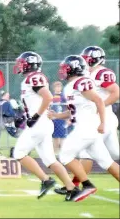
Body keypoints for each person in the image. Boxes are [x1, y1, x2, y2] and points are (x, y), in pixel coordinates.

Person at [12, 51, 90, 202]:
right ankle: (71, 188)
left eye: (22, 63)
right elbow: (35, 101)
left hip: (39, 124)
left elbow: (47, 97)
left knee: (19, 153)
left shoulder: (34, 77)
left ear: (29, 64)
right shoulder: (30, 79)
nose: (19, 66)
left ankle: (46, 180)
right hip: (43, 123)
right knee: (50, 160)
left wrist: (34, 117)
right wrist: (24, 117)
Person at [49, 55, 120, 195]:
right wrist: (56, 115)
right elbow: (73, 111)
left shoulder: (81, 82)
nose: (63, 71)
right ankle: (82, 184)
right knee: (108, 163)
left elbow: (99, 100)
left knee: (65, 155)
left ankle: (87, 185)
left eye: (65, 68)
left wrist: (102, 123)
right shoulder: (71, 86)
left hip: (86, 128)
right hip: (87, 129)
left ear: (74, 68)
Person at [51, 81, 67, 154]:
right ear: (54, 88)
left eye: (59, 87)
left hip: (62, 119)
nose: (58, 88)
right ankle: (55, 152)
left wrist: (67, 118)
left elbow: (67, 107)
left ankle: (63, 152)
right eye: (56, 87)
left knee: (62, 137)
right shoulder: (52, 96)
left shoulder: (63, 96)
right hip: (54, 120)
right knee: (55, 137)